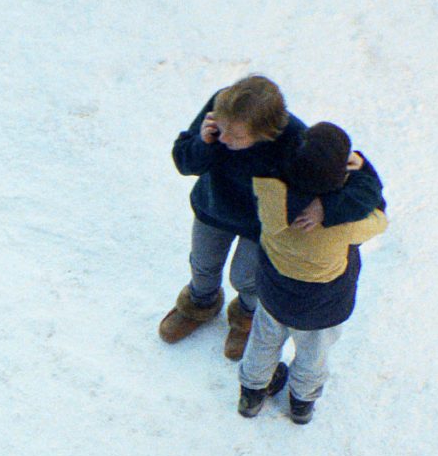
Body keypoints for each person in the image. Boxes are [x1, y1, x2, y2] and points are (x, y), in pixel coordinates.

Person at [163, 75, 385, 360]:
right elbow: (185, 162)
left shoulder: (296, 141)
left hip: (261, 226)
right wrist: (203, 143)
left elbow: (363, 192)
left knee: (247, 278)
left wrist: (325, 208)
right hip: (213, 206)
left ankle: (246, 317)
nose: (225, 139)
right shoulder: (223, 112)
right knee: (203, 264)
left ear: (265, 132)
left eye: (237, 136)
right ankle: (198, 304)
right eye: (222, 130)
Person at [236, 122, 388, 424]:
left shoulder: (269, 194)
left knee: (264, 339)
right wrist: (360, 174)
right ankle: (302, 402)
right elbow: (378, 213)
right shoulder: (345, 224)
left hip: (274, 293)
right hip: (322, 306)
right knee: (313, 353)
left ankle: (251, 392)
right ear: (340, 177)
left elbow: (271, 161)